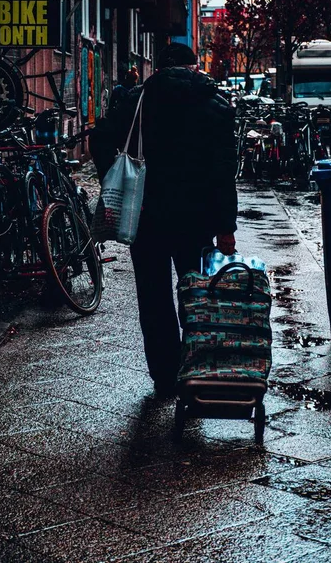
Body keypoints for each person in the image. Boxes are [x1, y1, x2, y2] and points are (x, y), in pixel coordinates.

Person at [107, 43, 238, 398]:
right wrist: (226, 225)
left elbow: (101, 142)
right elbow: (224, 171)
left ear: (159, 68)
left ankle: (164, 374)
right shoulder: (214, 105)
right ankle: (195, 367)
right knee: (195, 291)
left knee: (153, 296)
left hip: (145, 216)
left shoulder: (134, 101)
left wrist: (118, 180)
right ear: (193, 67)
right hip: (195, 221)